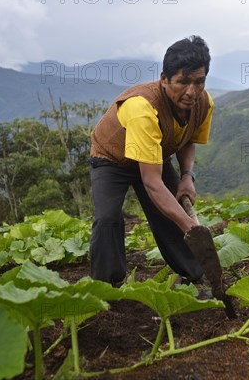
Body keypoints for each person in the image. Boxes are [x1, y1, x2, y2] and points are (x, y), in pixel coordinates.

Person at [88, 35, 214, 286]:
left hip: (154, 154)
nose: (191, 91)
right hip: (113, 157)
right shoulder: (142, 108)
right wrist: (190, 226)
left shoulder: (203, 103)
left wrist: (188, 176)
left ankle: (196, 276)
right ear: (164, 79)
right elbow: (152, 183)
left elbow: (187, 138)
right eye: (183, 82)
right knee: (107, 218)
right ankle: (106, 287)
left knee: (171, 213)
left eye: (199, 82)